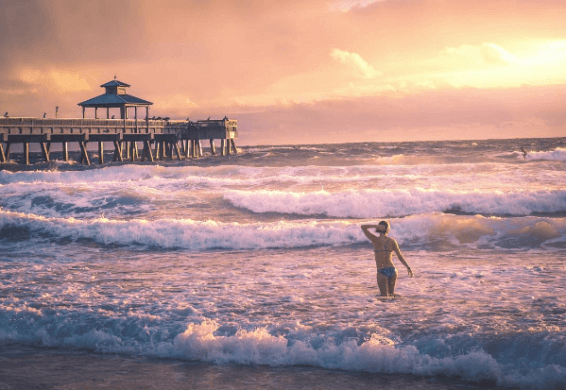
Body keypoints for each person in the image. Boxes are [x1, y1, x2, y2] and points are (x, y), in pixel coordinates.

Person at [361, 221, 413, 297]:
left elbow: (363, 227)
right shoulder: (392, 241)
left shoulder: (375, 240)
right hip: (392, 270)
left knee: (384, 297)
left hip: (381, 271)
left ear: (379, 228)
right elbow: (400, 256)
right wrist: (408, 267)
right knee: (391, 296)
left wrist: (375, 226)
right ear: (387, 229)